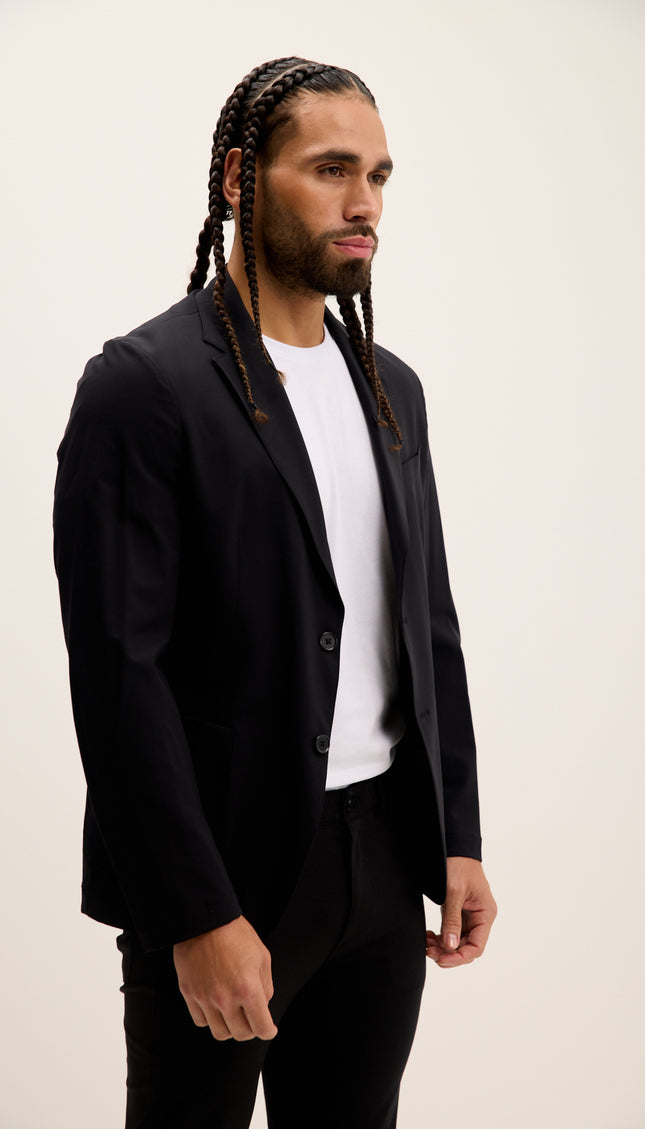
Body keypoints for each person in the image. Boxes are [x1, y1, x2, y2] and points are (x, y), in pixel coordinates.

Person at [53, 56, 496, 1129]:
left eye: (381, 176)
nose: (365, 204)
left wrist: (459, 832)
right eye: (333, 169)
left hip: (383, 869)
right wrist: (195, 911)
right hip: (228, 870)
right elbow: (121, 678)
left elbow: (424, 624)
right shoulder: (146, 385)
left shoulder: (392, 390)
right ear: (241, 178)